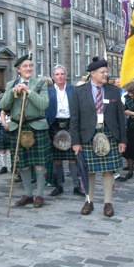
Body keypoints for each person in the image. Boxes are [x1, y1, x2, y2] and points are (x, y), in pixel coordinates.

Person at [70, 57, 127, 217]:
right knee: (89, 171)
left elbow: (121, 118)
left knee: (109, 170)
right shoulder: (79, 92)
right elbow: (74, 119)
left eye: (106, 72)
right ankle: (89, 201)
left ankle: (108, 203)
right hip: (88, 135)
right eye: (102, 72)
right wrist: (76, 142)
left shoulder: (114, 90)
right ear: (93, 74)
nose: (106, 74)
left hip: (109, 134)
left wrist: (123, 139)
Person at [0, 53, 51, 209]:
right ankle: (28, 194)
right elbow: (3, 105)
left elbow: (43, 105)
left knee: (39, 163)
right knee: (23, 163)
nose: (29, 68)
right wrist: (14, 92)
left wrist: (28, 91)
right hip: (17, 127)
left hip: (36, 126)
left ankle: (40, 195)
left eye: (30, 66)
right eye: (25, 66)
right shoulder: (10, 85)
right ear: (18, 70)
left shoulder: (40, 84)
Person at [45, 64, 85, 197]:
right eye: (57, 74)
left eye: (62, 74)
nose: (60, 76)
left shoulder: (73, 90)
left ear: (66, 76)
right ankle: (59, 185)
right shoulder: (48, 91)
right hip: (54, 125)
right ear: (53, 77)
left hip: (70, 124)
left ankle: (76, 185)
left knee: (73, 157)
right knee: (56, 159)